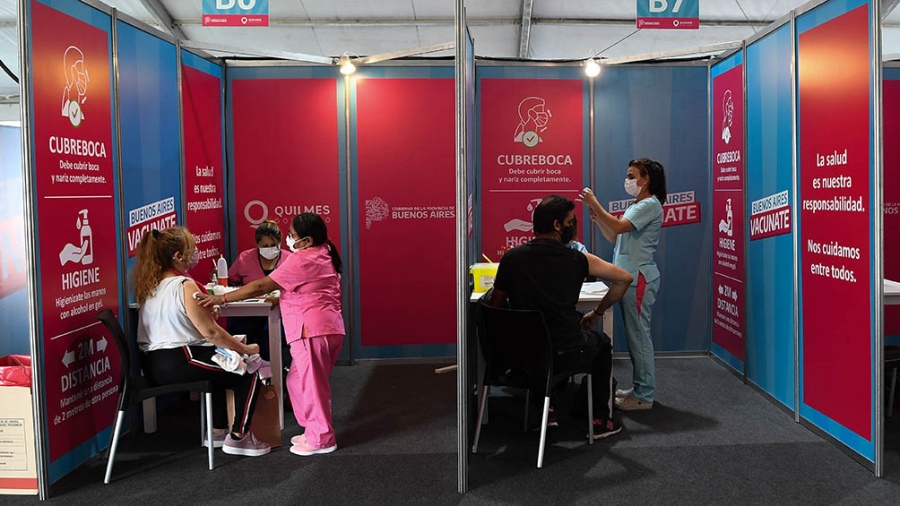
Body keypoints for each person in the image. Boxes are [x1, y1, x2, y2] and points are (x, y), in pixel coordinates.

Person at [198, 213, 344, 457]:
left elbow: (261, 286)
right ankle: (311, 429)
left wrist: (221, 299)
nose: (288, 238)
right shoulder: (324, 251)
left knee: (312, 386)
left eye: (292, 235)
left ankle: (322, 438)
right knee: (296, 381)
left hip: (311, 331)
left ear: (307, 240)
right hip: (325, 328)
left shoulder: (303, 259)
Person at [487, 195, 633, 439]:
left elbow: (496, 305)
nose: (573, 227)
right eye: (570, 221)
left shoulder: (512, 258)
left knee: (537, 342)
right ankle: (600, 419)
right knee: (602, 344)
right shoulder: (578, 259)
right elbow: (625, 279)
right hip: (567, 351)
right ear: (557, 225)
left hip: (521, 355)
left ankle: (545, 410)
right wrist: (597, 312)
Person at [133, 227, 270, 457]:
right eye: (192, 250)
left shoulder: (150, 284)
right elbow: (211, 333)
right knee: (248, 369)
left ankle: (217, 431)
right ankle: (240, 437)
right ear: (178, 256)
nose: (195, 254)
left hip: (153, 365)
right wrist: (245, 349)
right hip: (180, 361)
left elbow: (180, 322)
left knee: (222, 363)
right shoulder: (184, 285)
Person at [579, 157, 667, 411]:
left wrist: (595, 202)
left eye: (631, 176)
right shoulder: (637, 205)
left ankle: (644, 395)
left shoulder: (649, 204)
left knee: (639, 337)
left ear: (645, 179)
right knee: (635, 336)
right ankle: (640, 388)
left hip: (639, 278)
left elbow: (617, 226)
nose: (627, 180)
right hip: (630, 277)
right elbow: (615, 236)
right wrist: (599, 219)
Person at [227, 219, 292, 361]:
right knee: (239, 332)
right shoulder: (245, 258)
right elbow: (231, 282)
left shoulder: (290, 259)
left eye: (274, 245)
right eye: (265, 246)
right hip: (248, 313)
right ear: (257, 244)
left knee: (269, 337)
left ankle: (272, 370)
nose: (270, 249)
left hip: (280, 313)